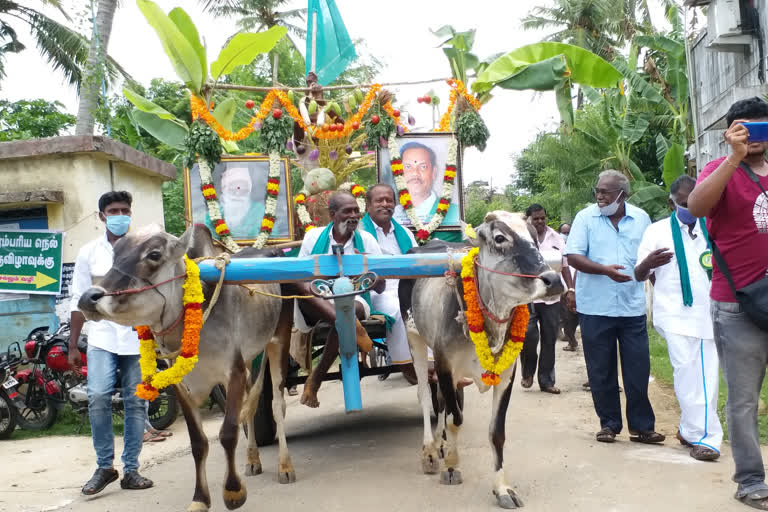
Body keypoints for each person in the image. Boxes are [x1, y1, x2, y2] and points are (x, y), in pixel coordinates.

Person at [687, 97, 768, 509]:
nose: (753, 135)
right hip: (737, 305)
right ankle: (751, 479)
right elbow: (697, 207)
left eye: (760, 127)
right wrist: (733, 159)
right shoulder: (717, 170)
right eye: (743, 128)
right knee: (743, 400)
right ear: (731, 132)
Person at [565, 170, 664, 445]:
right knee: (600, 370)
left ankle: (643, 427)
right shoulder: (585, 218)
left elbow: (647, 258)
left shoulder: (641, 218)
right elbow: (573, 256)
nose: (599, 196)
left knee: (637, 369)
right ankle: (608, 424)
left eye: (606, 192)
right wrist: (603, 271)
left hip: (631, 307)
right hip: (595, 307)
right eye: (597, 190)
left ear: (622, 194)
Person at [67, 191, 153, 495]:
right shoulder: (89, 252)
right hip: (102, 337)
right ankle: (105, 466)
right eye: (114, 210)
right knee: (99, 396)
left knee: (136, 402)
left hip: (138, 337)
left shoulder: (145, 251)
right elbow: (78, 300)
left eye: (125, 210)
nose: (120, 215)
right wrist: (73, 344)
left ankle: (131, 470)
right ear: (102, 216)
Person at [635, 175, 722, 461]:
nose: (690, 207)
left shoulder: (714, 227)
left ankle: (704, 437)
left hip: (710, 314)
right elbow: (638, 274)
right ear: (670, 202)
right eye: (683, 203)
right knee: (685, 373)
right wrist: (649, 264)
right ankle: (696, 430)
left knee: (707, 376)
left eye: (694, 201)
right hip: (673, 315)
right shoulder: (656, 232)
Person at [294, 192, 381, 408]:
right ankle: (351, 325)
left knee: (351, 309)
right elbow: (300, 276)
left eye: (356, 211)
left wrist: (362, 271)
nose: (353, 216)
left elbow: (381, 284)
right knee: (296, 284)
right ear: (333, 215)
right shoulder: (313, 237)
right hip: (319, 299)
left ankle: (316, 379)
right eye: (347, 211)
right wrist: (325, 278)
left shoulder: (367, 240)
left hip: (354, 298)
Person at [360, 184, 419, 384]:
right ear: (367, 205)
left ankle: (432, 362)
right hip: (376, 291)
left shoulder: (404, 232)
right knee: (397, 309)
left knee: (428, 307)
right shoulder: (360, 233)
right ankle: (406, 364)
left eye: (389, 200)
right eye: (379, 200)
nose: (385, 204)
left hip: (407, 286)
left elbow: (417, 260)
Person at [520, 204, 573, 394]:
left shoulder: (556, 238)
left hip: (551, 298)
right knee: (528, 336)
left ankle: (547, 381)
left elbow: (564, 265)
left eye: (543, 218)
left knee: (549, 339)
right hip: (528, 296)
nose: (540, 222)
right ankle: (527, 372)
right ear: (528, 220)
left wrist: (570, 289)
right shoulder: (521, 239)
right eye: (536, 219)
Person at [392, 142, 459, 226]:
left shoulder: (454, 212)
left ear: (434, 172)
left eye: (423, 167)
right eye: (408, 167)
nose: (415, 173)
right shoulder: (393, 215)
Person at [205, 166, 265, 238]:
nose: (238, 193)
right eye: (233, 188)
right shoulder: (215, 211)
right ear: (225, 189)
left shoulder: (259, 210)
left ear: (249, 189)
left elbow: (270, 234)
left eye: (242, 188)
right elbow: (206, 235)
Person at [558, 223, 579, 351]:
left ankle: (572, 340)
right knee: (567, 317)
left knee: (575, 316)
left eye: (568, 233)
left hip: (578, 286)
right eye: (564, 233)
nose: (566, 235)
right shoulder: (557, 247)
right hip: (564, 288)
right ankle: (571, 341)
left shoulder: (577, 246)